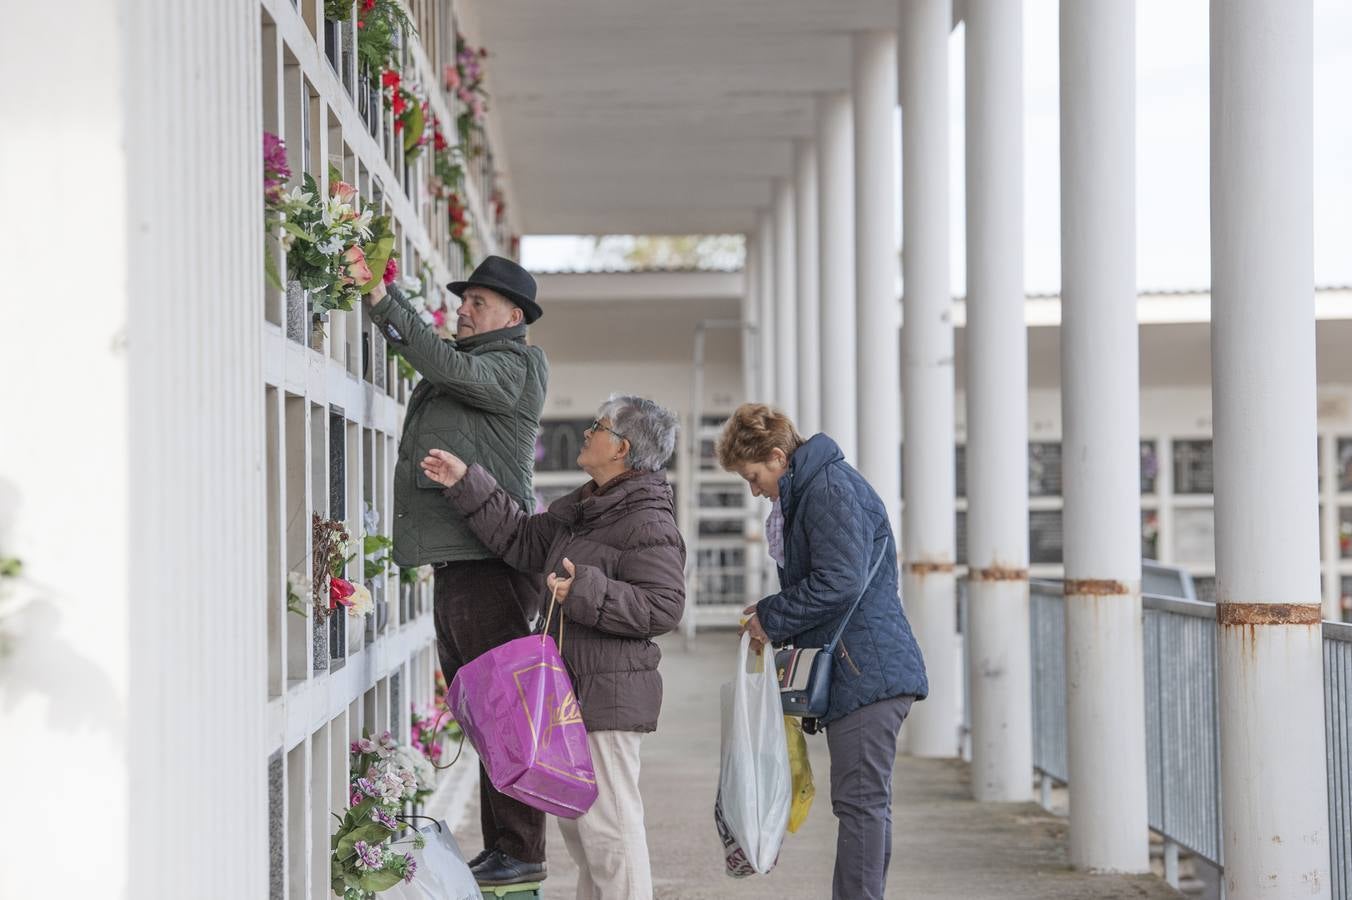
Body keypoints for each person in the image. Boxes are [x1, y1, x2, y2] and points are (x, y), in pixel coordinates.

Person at [419, 395, 685, 900]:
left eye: (597, 426)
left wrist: (585, 590)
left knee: (610, 834)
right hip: (573, 694)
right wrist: (466, 482)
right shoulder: (586, 509)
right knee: (585, 836)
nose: (587, 432)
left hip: (608, 697)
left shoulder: (647, 521)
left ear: (621, 447)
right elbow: (521, 539)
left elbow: (665, 606)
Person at [365, 255, 550, 887]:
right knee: (480, 709)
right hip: (461, 562)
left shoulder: (518, 365)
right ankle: (506, 845)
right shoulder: (477, 365)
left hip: (489, 563)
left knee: (502, 708)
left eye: (477, 303)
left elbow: (442, 364)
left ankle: (522, 848)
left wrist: (381, 296)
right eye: (464, 300)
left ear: (513, 316)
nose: (463, 311)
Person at [716, 403, 928, 900]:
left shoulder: (827, 490)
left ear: (776, 456)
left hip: (867, 671)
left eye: (754, 476)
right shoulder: (817, 487)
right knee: (864, 805)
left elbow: (840, 581)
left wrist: (772, 615)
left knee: (860, 805)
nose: (754, 490)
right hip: (866, 668)